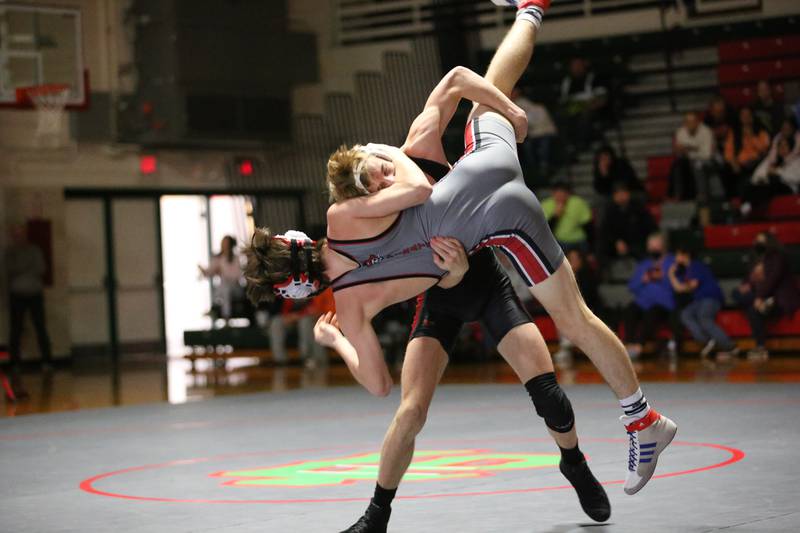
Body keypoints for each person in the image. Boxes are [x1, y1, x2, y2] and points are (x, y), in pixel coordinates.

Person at [244, 0, 676, 508]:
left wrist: (333, 339)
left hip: (498, 231)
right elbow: (435, 131)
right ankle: (531, 12)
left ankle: (617, 437)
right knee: (572, 316)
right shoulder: (349, 211)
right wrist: (500, 116)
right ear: (298, 239)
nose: (379, 173)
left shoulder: (351, 294)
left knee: (563, 346)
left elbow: (375, 382)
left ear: (296, 290)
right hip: (488, 179)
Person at [733, 232, 799, 360]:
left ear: (770, 242)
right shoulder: (756, 259)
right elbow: (752, 280)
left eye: (761, 241)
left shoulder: (777, 257)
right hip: (763, 296)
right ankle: (761, 347)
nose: (758, 243)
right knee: (738, 294)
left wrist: (759, 297)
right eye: (756, 241)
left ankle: (760, 346)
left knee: (753, 309)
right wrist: (749, 284)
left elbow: (772, 280)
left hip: (779, 298)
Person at [668, 246, 738, 359]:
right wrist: (671, 275)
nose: (675, 258)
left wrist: (672, 276)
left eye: (677, 255)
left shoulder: (696, 265)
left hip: (711, 298)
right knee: (685, 314)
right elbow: (678, 288)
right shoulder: (685, 271)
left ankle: (730, 346)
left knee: (704, 317)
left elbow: (689, 286)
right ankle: (707, 340)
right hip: (698, 301)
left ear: (685, 255)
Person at [5, 224, 53, 381]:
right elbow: (8, 269)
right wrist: (26, 267)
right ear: (12, 236)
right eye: (15, 235)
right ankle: (15, 364)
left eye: (21, 234)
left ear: (25, 235)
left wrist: (20, 268)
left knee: (40, 327)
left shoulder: (34, 250)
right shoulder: (9, 252)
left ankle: (47, 361)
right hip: (17, 294)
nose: (19, 237)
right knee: (16, 330)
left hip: (35, 294)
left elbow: (40, 268)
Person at [624, 233, 681, 359]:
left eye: (656, 246)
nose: (653, 249)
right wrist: (643, 280)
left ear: (664, 246)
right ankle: (628, 344)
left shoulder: (672, 262)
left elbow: (678, 285)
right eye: (651, 247)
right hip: (643, 302)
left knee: (652, 314)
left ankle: (638, 347)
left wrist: (664, 277)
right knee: (631, 310)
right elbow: (632, 287)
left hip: (663, 304)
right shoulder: (644, 264)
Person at [741, 134, 800, 218]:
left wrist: (778, 172)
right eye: (780, 145)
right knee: (750, 185)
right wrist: (764, 177)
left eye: (785, 145)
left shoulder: (797, 160)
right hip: (769, 185)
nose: (782, 148)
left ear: (791, 146)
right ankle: (745, 205)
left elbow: (797, 178)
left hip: (788, 187)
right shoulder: (772, 159)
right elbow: (757, 175)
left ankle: (752, 206)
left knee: (773, 184)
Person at [559, 56, 608, 153]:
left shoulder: (594, 78)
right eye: (574, 66)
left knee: (585, 116)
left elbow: (602, 97)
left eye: (578, 65)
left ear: (584, 65)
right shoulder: (567, 81)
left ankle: (583, 144)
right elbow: (564, 100)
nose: (576, 68)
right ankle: (568, 147)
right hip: (573, 109)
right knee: (561, 117)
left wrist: (592, 105)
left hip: (591, 108)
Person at [598, 182, 656, 262]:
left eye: (623, 193)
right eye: (618, 194)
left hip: (637, 243)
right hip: (616, 244)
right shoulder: (609, 211)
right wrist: (616, 241)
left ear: (628, 194)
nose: (621, 197)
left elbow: (650, 227)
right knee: (601, 247)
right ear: (614, 197)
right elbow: (605, 231)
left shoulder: (638, 208)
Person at [721, 106, 770, 199]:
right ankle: (732, 200)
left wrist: (751, 135)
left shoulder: (760, 131)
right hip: (739, 163)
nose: (745, 117)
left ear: (752, 117)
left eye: (748, 115)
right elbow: (728, 151)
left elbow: (764, 150)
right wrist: (733, 162)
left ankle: (747, 199)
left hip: (756, 161)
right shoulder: (735, 132)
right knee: (726, 169)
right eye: (743, 115)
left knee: (751, 168)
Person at [512, 86, 558, 179]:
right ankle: (535, 169)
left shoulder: (526, 104)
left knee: (543, 146)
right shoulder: (514, 104)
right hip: (531, 134)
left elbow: (530, 119)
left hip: (543, 132)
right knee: (527, 147)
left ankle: (543, 166)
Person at [669, 111, 715, 202]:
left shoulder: (706, 131)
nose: (690, 124)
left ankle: (702, 195)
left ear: (698, 122)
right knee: (677, 164)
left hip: (705, 161)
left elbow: (707, 154)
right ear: (684, 123)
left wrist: (689, 148)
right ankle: (678, 196)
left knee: (698, 164)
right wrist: (694, 149)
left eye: (692, 121)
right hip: (688, 161)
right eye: (687, 122)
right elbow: (679, 152)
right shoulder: (680, 132)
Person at [198, 235, 245, 324]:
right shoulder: (219, 259)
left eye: (226, 243)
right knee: (224, 288)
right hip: (224, 289)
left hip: (236, 288)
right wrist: (203, 270)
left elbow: (237, 275)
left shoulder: (236, 258)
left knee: (225, 287)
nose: (224, 246)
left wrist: (223, 272)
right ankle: (224, 316)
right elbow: (209, 272)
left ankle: (217, 311)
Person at [540, 181, 593, 253]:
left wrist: (591, 251)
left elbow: (588, 227)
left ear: (568, 194)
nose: (561, 195)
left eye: (563, 192)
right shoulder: (545, 205)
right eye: (557, 193)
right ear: (553, 193)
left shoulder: (577, 203)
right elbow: (545, 232)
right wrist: (555, 216)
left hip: (578, 240)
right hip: (558, 241)